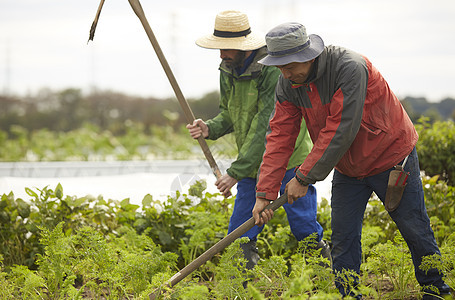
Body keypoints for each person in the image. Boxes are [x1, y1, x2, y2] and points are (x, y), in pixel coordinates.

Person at [251, 22, 451, 299]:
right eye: (279, 66)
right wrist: (264, 192)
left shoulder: (350, 67)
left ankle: (436, 289)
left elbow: (341, 127)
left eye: (289, 65)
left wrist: (303, 178)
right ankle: (347, 294)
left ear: (308, 55)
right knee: (343, 236)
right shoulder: (288, 84)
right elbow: (279, 136)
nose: (284, 73)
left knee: (413, 226)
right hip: (347, 166)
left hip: (391, 157)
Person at [187, 11, 330, 270]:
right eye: (219, 48)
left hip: (289, 162)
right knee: (240, 232)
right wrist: (209, 128)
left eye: (227, 48)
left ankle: (325, 281)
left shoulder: (272, 71)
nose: (221, 54)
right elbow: (230, 112)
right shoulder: (227, 69)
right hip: (252, 168)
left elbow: (267, 127)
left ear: (244, 46)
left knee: (304, 227)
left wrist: (234, 172)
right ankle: (237, 290)